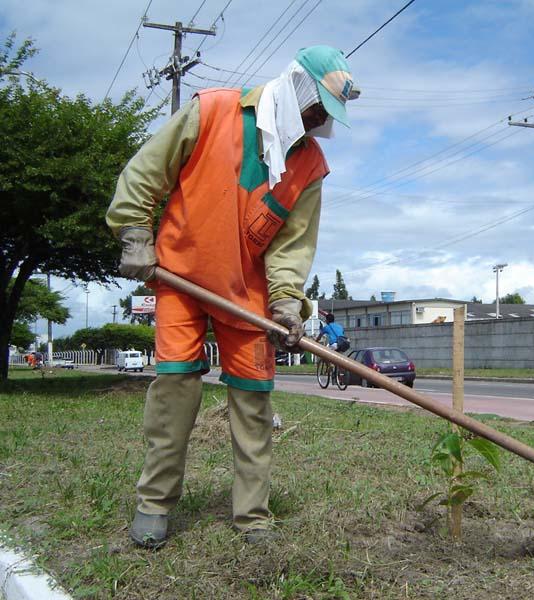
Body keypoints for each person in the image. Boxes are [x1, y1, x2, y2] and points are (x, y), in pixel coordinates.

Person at [106, 46, 358, 548]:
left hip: (248, 297)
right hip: (180, 275)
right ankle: (154, 504)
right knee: (175, 391)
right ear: (297, 89)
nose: (317, 121)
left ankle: (253, 517)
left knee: (253, 404)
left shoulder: (310, 164)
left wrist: (286, 303)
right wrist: (135, 232)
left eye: (326, 116)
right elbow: (145, 172)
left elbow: (292, 245)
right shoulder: (213, 110)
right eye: (316, 108)